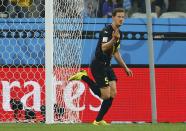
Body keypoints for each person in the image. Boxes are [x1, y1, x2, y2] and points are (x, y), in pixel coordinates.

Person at [68, 8, 133, 125]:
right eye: (119, 16)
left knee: (113, 93)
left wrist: (125, 68)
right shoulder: (106, 31)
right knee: (105, 95)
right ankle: (84, 77)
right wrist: (114, 39)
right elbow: (103, 47)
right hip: (98, 65)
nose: (121, 19)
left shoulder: (119, 33)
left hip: (107, 65)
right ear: (113, 17)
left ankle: (97, 120)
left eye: (123, 17)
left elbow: (116, 53)